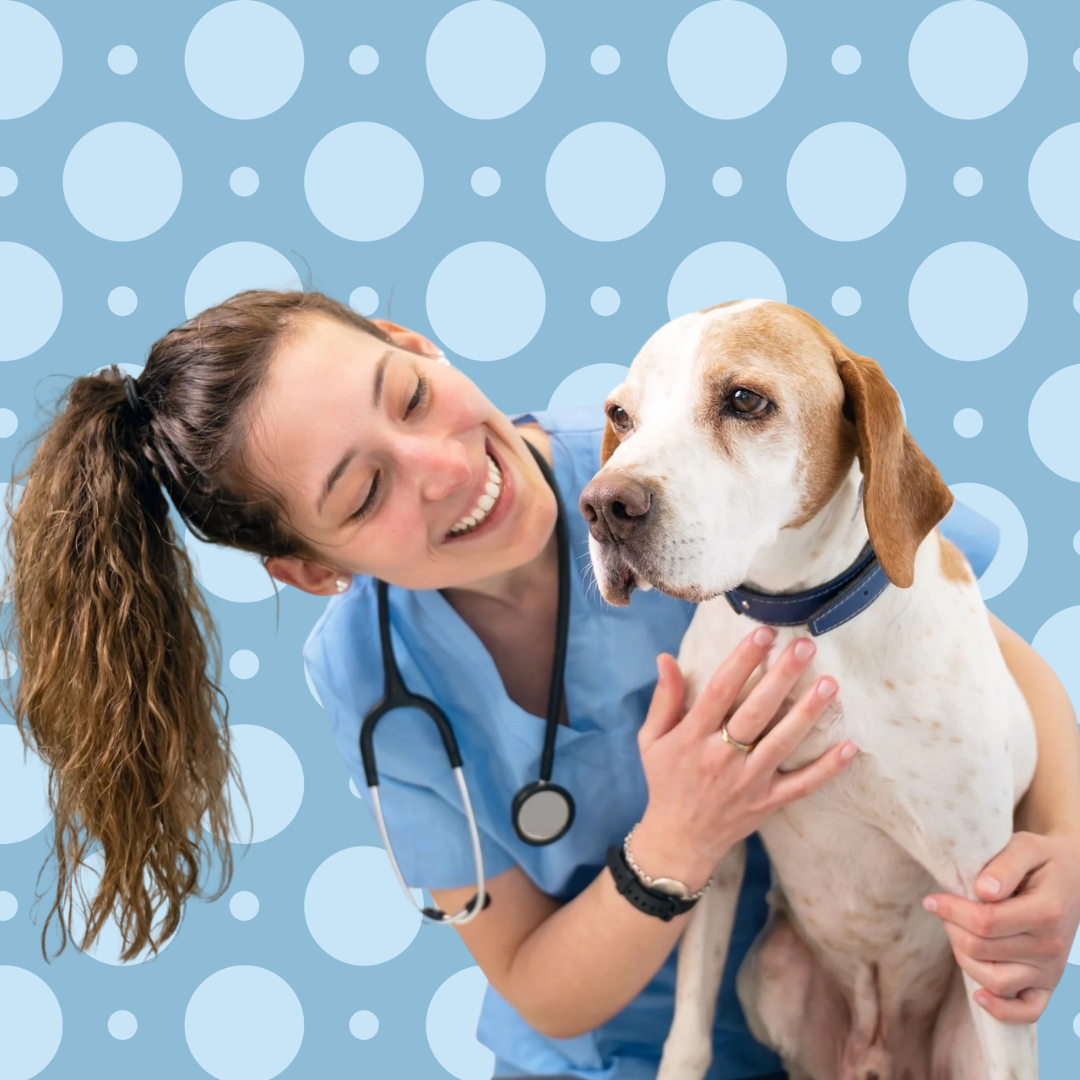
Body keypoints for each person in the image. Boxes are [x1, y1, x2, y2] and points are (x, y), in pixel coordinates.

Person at [2, 290, 1078, 1080]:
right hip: (596, 1056)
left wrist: (1066, 860)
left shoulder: (652, 476)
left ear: (419, 343)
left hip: (795, 1032)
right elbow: (532, 982)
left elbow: (983, 662)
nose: (443, 466)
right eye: (367, 488)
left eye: (411, 395)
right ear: (313, 570)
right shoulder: (374, 678)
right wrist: (682, 837)